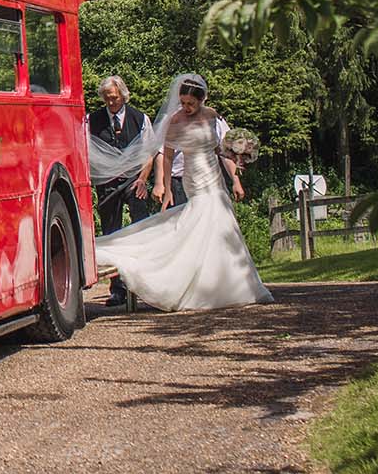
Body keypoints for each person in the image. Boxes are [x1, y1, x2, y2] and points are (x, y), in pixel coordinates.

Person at [95, 73, 273, 311]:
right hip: (194, 179)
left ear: (202, 100)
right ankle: (194, 284)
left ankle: (231, 284)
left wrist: (236, 179)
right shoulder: (175, 120)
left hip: (214, 177)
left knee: (223, 226)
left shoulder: (212, 116)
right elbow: (167, 156)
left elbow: (222, 151)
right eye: (183, 102)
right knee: (200, 221)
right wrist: (166, 187)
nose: (186, 107)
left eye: (191, 103)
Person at [88, 76, 154, 305]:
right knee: (111, 232)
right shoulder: (92, 120)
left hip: (134, 180)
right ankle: (117, 289)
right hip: (107, 183)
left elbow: (149, 152)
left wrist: (143, 180)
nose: (111, 102)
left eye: (114, 98)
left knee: (141, 226)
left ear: (123, 96)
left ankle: (145, 283)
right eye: (107, 99)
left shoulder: (140, 119)